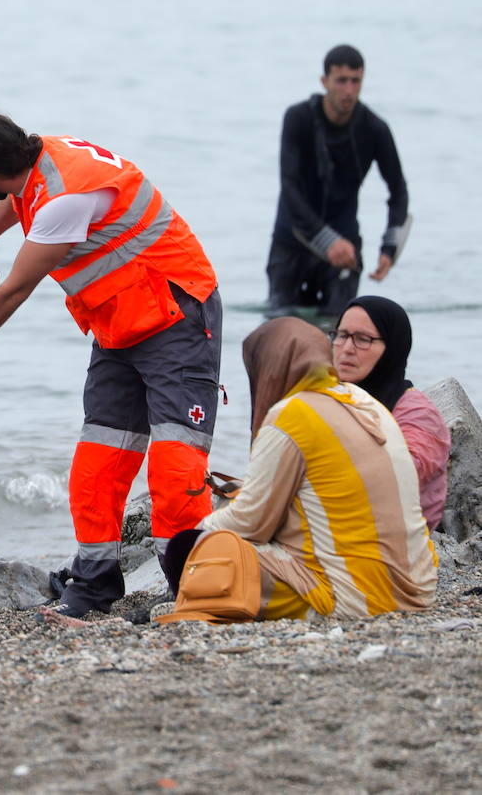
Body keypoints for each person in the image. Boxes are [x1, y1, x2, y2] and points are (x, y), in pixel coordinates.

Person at [0, 111, 222, 619]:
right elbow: (18, 198)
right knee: (98, 461)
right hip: (119, 323)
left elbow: (12, 293)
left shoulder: (65, 198)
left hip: (176, 312)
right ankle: (94, 585)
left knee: (175, 466)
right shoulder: (37, 155)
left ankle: (192, 588)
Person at [175, 317, 436, 620]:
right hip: (418, 589)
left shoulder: (292, 414)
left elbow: (250, 522)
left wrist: (198, 534)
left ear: (269, 368)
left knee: (199, 547)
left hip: (357, 599)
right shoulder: (367, 402)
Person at [265, 44, 411, 319]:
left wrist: (389, 249)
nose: (349, 90)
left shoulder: (374, 129)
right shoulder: (298, 119)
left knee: (339, 331)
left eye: (356, 81)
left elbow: (398, 191)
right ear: (324, 82)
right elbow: (290, 188)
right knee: (281, 329)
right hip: (292, 241)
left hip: (345, 247)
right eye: (341, 80)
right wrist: (328, 242)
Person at [332, 296, 450, 530]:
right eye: (342, 335)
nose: (346, 348)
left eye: (363, 339)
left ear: (392, 348)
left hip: (391, 544)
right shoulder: (329, 397)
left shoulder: (417, 412)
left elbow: (404, 476)